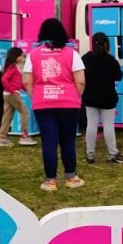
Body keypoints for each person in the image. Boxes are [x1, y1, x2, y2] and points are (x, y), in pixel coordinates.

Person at [23, 18, 86, 192]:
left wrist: (36, 97)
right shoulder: (72, 54)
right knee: (67, 141)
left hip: (43, 104)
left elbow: (27, 81)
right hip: (69, 103)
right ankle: (71, 177)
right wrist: (74, 97)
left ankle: (50, 181)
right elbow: (80, 81)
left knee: (49, 142)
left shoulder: (33, 54)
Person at [82, 32, 123, 163]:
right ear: (106, 44)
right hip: (107, 97)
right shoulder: (110, 60)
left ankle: (90, 154)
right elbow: (118, 76)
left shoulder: (85, 58)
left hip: (90, 97)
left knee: (91, 125)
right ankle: (113, 153)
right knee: (108, 125)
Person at [0, 47, 36, 147]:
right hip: (12, 95)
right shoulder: (12, 68)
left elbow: (18, 83)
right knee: (25, 112)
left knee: (7, 116)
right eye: (21, 56)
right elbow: (4, 80)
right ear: (16, 57)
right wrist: (13, 90)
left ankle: (2, 138)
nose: (23, 58)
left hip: (8, 94)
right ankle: (24, 136)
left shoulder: (14, 67)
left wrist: (26, 88)